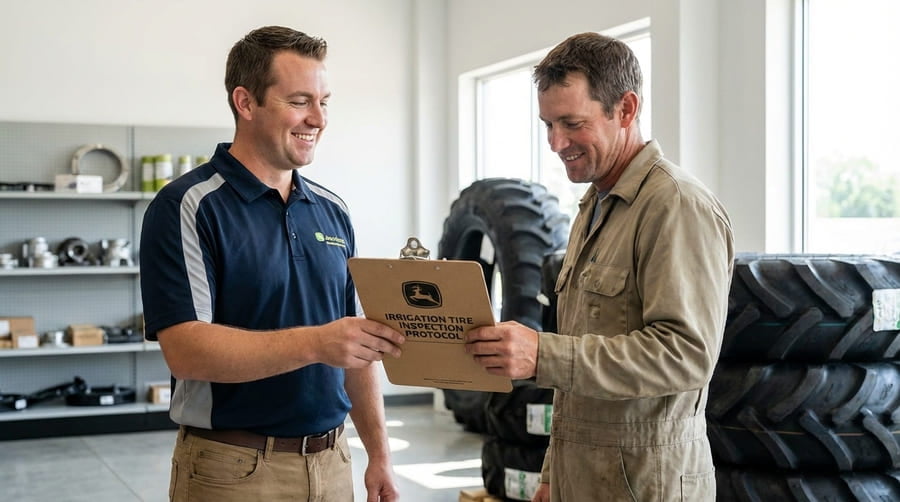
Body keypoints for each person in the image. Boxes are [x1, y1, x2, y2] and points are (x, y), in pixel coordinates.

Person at [465, 32, 734, 502]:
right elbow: (582, 365)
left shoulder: (675, 205)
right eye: (547, 125)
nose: (556, 142)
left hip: (648, 482)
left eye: (571, 123)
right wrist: (553, 471)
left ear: (626, 109)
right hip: (582, 474)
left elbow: (686, 354)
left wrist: (542, 356)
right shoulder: (594, 206)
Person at [139, 25, 405, 502]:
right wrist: (319, 342)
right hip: (233, 471)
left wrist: (379, 455)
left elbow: (355, 346)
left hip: (333, 463)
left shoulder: (332, 210)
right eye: (300, 101)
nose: (318, 119)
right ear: (246, 102)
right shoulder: (188, 206)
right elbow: (185, 350)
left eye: (325, 101)